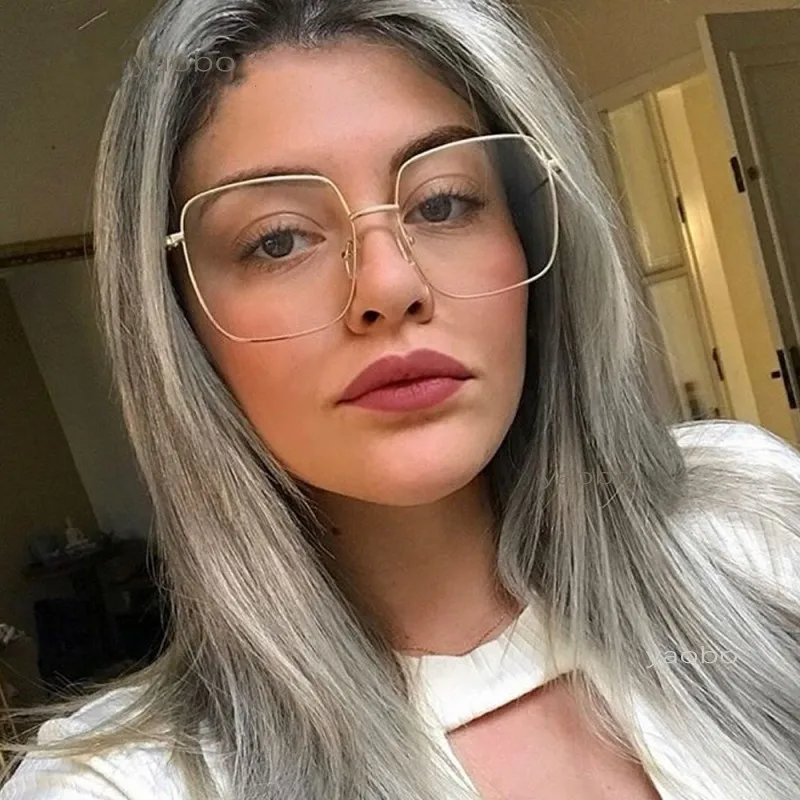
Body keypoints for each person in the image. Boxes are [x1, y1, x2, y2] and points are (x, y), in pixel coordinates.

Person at [2, 0, 799, 798]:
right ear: (178, 321)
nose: (389, 284)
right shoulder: (118, 784)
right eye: (278, 239)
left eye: (443, 202)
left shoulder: (753, 527)